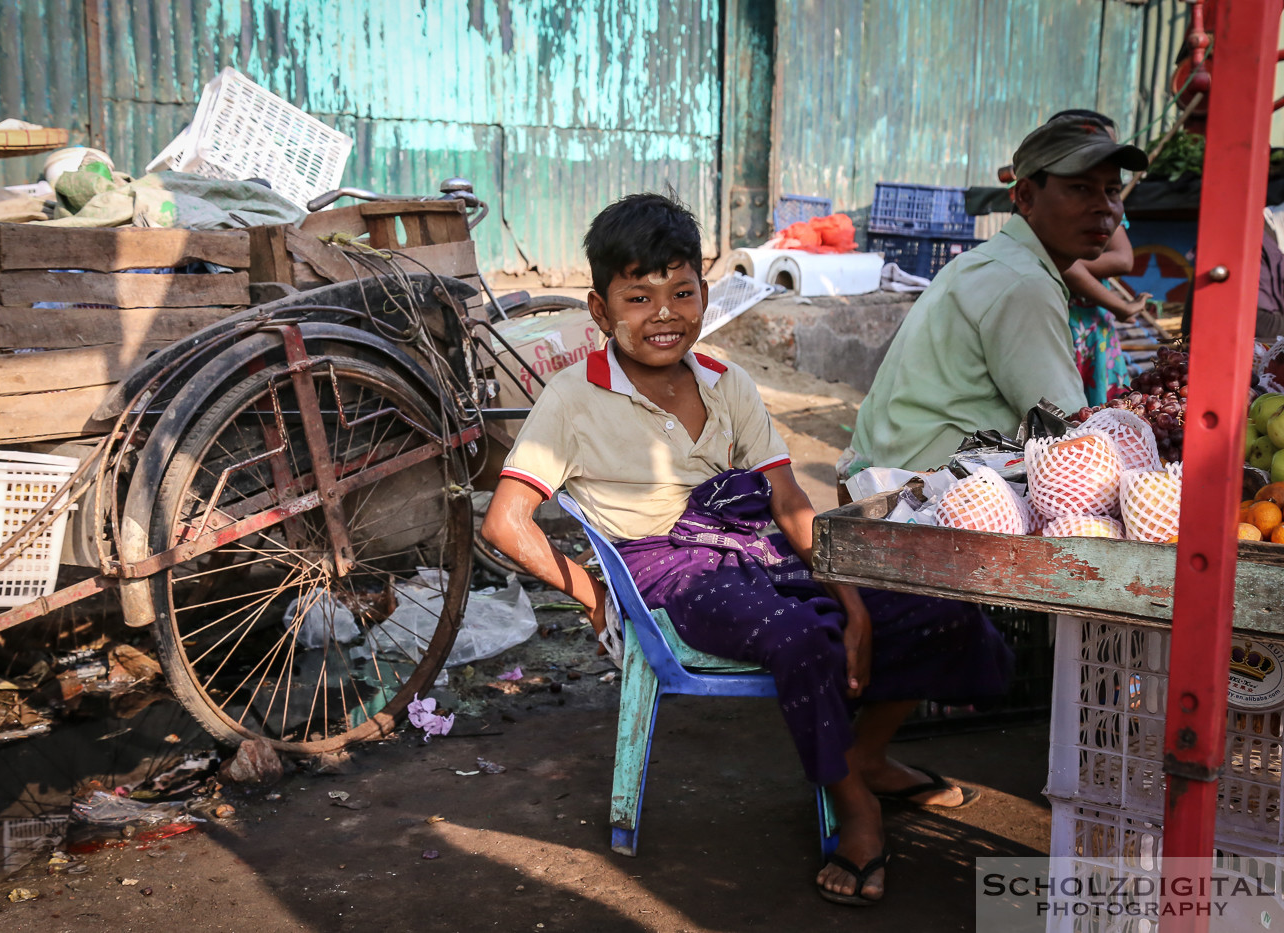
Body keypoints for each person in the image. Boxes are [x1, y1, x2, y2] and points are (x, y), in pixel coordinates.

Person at [481, 193, 1013, 907]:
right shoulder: (572, 399)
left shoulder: (726, 381)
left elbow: (789, 500)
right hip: (666, 567)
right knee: (798, 636)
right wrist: (596, 594)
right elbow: (506, 522)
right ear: (600, 310)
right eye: (638, 297)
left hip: (757, 548)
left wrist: (849, 595)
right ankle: (854, 802)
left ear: (706, 292)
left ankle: (869, 753)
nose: (663, 313)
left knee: (938, 602)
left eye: (681, 291)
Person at [845, 116, 1149, 475]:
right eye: (1081, 188)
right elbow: (1069, 435)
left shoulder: (993, 260)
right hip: (929, 488)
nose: (1104, 206)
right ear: (1025, 197)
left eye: (1112, 191)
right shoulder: (1025, 284)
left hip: (887, 464)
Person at [1051, 110, 1150, 405]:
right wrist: (1119, 306)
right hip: (1058, 323)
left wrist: (1069, 263)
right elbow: (1063, 266)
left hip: (1095, 329)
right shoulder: (1049, 199)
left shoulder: (1106, 201)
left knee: (1101, 420)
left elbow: (1123, 258)